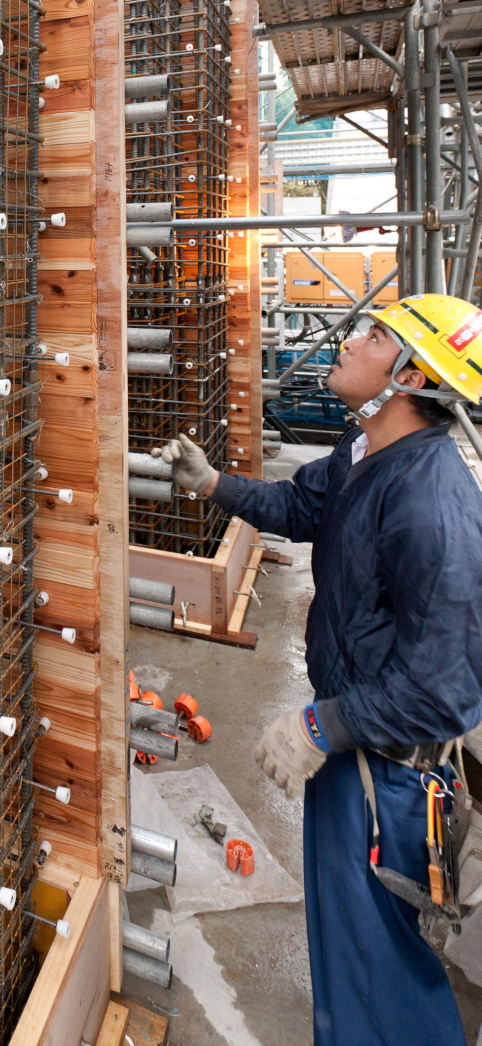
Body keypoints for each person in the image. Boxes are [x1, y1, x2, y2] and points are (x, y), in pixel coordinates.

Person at [154, 293, 482, 1046]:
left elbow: (442, 688)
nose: (349, 342)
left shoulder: (431, 502)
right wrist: (214, 485)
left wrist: (320, 724)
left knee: (379, 967)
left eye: (374, 338)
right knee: (345, 943)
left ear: (408, 376)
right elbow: (303, 509)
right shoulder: (363, 452)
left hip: (387, 774)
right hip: (350, 750)